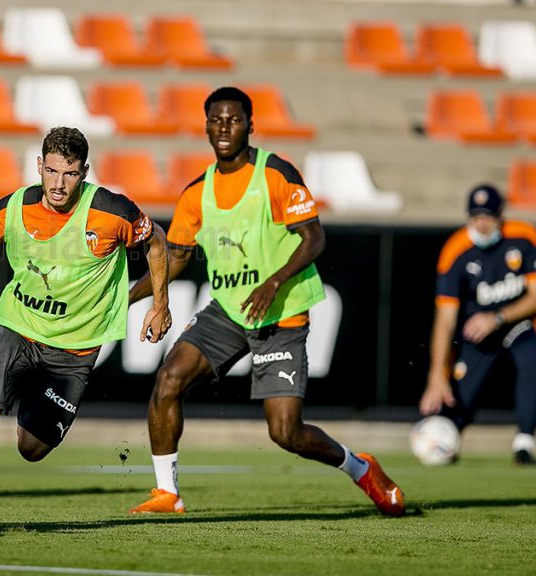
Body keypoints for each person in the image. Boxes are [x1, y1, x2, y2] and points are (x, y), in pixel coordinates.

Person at [128, 87, 405, 517]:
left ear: (249, 126)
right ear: (205, 126)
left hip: (282, 310)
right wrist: (131, 297)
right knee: (168, 380)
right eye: (215, 120)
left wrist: (274, 282)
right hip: (227, 310)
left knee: (285, 432)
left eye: (233, 120)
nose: (223, 128)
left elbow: (314, 238)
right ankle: (168, 494)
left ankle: (359, 467)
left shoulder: (275, 173)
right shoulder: (196, 192)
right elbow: (177, 256)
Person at [0, 126, 171, 492]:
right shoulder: (15, 206)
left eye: (70, 173)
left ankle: (34, 393)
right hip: (19, 328)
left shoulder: (112, 212)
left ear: (85, 173)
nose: (59, 184)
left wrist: (160, 303)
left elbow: (156, 240)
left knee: (32, 448)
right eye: (52, 171)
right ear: (40, 165)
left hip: (74, 348)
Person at [420, 184, 536, 465]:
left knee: (531, 359)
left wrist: (498, 317)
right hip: (477, 333)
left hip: (517, 322)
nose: (482, 223)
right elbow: (445, 320)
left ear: (500, 214)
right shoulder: (455, 251)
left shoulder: (524, 237)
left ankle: (524, 443)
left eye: (488, 216)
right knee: (458, 400)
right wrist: (436, 375)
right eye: (476, 216)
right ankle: (447, 437)